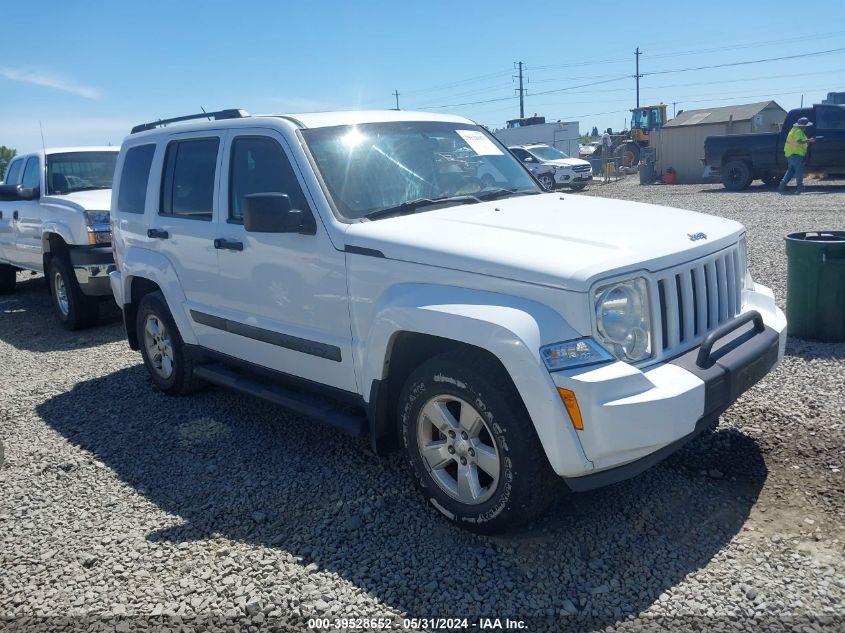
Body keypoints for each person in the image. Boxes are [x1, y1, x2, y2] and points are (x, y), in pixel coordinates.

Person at [779, 117, 816, 194]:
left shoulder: (793, 130)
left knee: (790, 171)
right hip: (796, 154)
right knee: (799, 171)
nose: (806, 127)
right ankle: (800, 188)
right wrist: (810, 140)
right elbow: (799, 141)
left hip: (790, 154)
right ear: (802, 125)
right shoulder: (799, 131)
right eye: (805, 126)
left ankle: (782, 185)